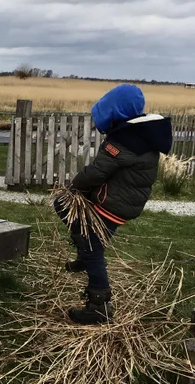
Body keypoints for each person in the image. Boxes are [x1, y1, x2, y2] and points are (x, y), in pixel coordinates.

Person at [57, 84, 172, 325]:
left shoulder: (126, 140)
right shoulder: (142, 135)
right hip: (119, 201)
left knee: (91, 246)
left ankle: (98, 306)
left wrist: (74, 189)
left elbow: (98, 172)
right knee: (70, 215)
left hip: (111, 204)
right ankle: (83, 252)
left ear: (115, 113)